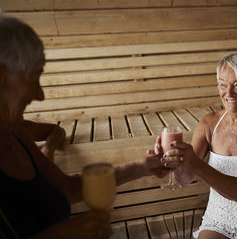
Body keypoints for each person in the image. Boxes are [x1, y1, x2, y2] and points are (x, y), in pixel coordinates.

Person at [0, 15, 166, 238]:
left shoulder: (15, 133)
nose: (40, 94)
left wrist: (143, 167)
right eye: (34, 78)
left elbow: (70, 189)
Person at [156, 52, 237, 238]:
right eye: (222, 84)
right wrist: (176, 162)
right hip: (219, 219)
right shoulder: (208, 124)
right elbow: (183, 179)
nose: (228, 93)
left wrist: (196, 163)